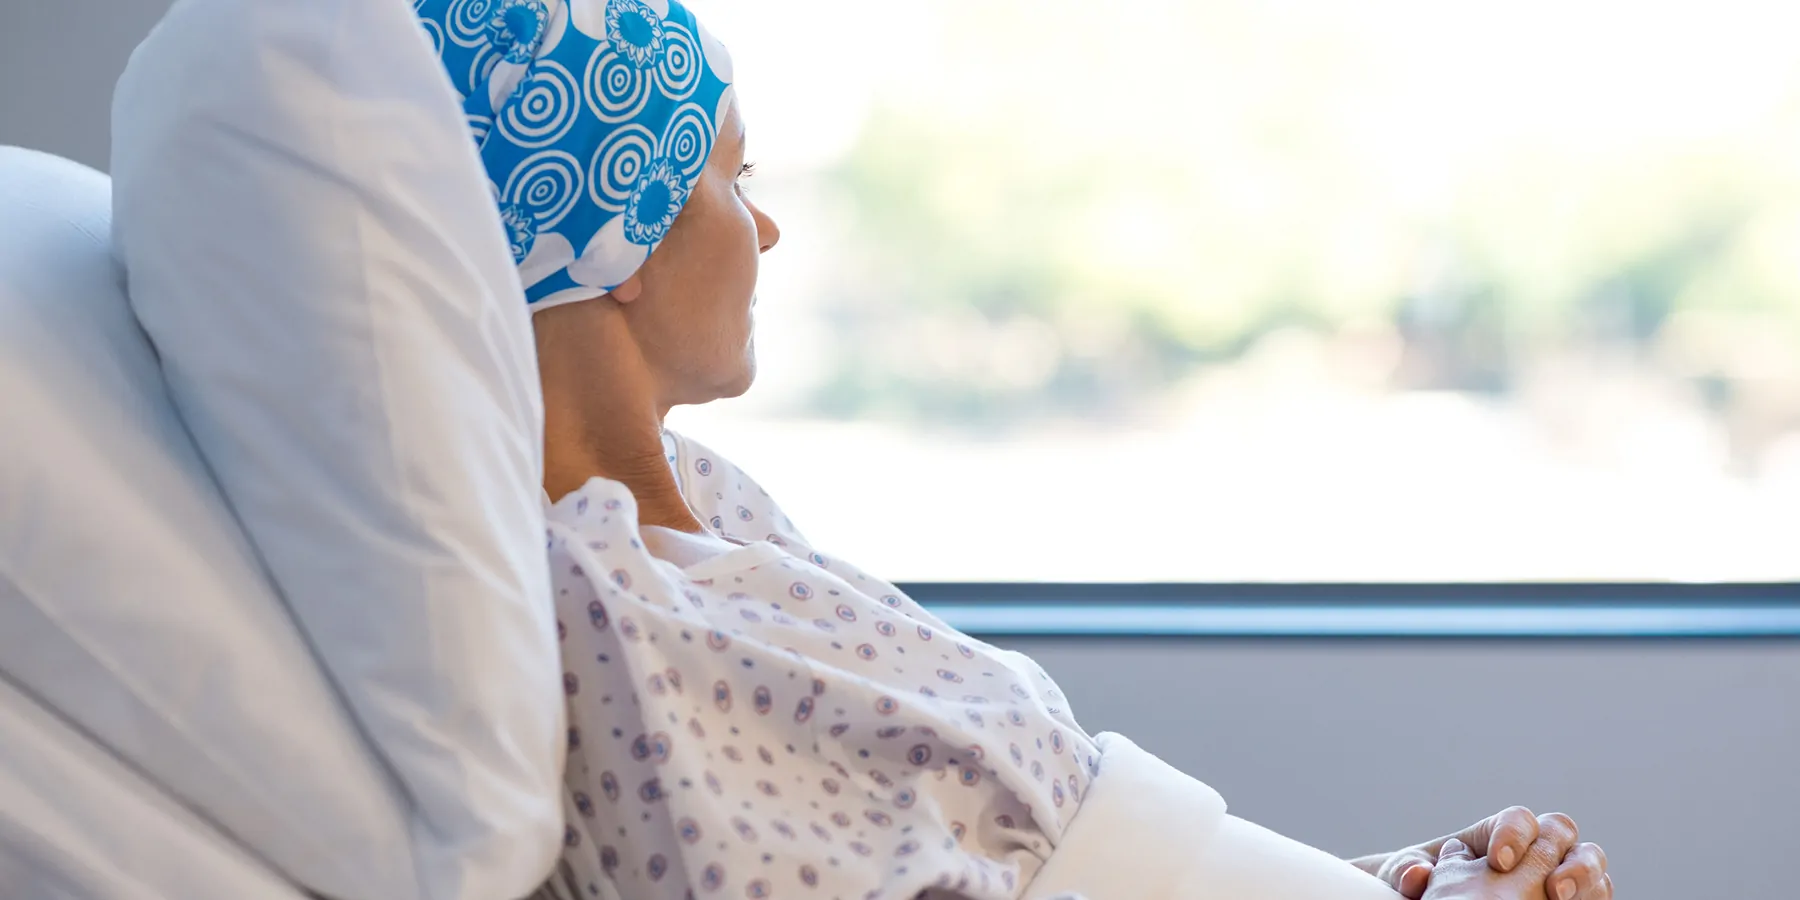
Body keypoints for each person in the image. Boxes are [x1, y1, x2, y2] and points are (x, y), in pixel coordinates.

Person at [414, 1, 1614, 899]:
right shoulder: (608, 608)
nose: (769, 229)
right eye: (735, 177)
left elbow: (1018, 846)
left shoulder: (713, 514)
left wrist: (1391, 877)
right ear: (621, 225)